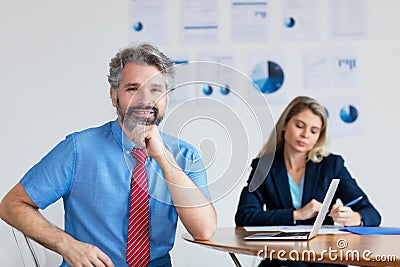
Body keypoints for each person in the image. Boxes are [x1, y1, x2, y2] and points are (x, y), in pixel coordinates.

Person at [0, 43, 217, 267]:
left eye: (155, 90)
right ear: (114, 96)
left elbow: (203, 230)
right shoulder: (78, 149)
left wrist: (163, 158)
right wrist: (67, 245)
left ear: (167, 98)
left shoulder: (185, 156)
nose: (145, 99)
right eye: (133, 89)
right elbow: (12, 205)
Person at [235, 96, 381, 267]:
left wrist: (355, 217)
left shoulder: (331, 165)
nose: (305, 135)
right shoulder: (264, 167)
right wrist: (297, 214)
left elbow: (372, 214)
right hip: (282, 256)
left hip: (323, 258)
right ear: (284, 125)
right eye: (299, 126)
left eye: (314, 131)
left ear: (319, 136)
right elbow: (244, 216)